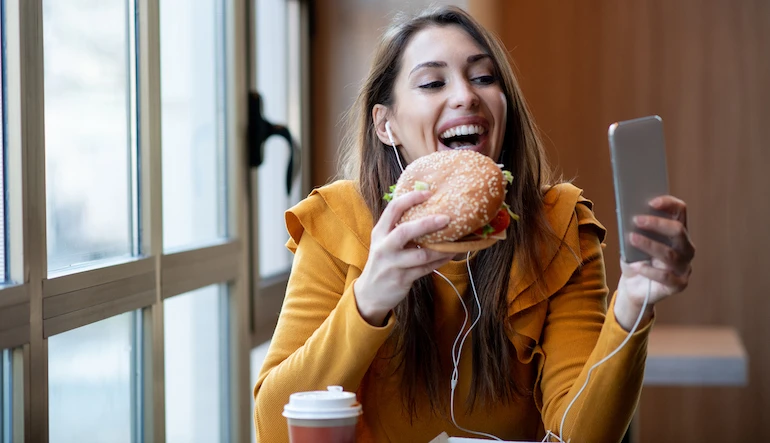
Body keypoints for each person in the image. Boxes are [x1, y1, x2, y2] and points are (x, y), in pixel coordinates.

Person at [253, 5, 695, 443]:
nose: (466, 95)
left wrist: (634, 304)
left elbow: (581, 435)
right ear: (387, 125)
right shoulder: (339, 220)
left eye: (483, 77)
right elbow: (273, 429)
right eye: (432, 82)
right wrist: (368, 300)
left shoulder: (559, 225)